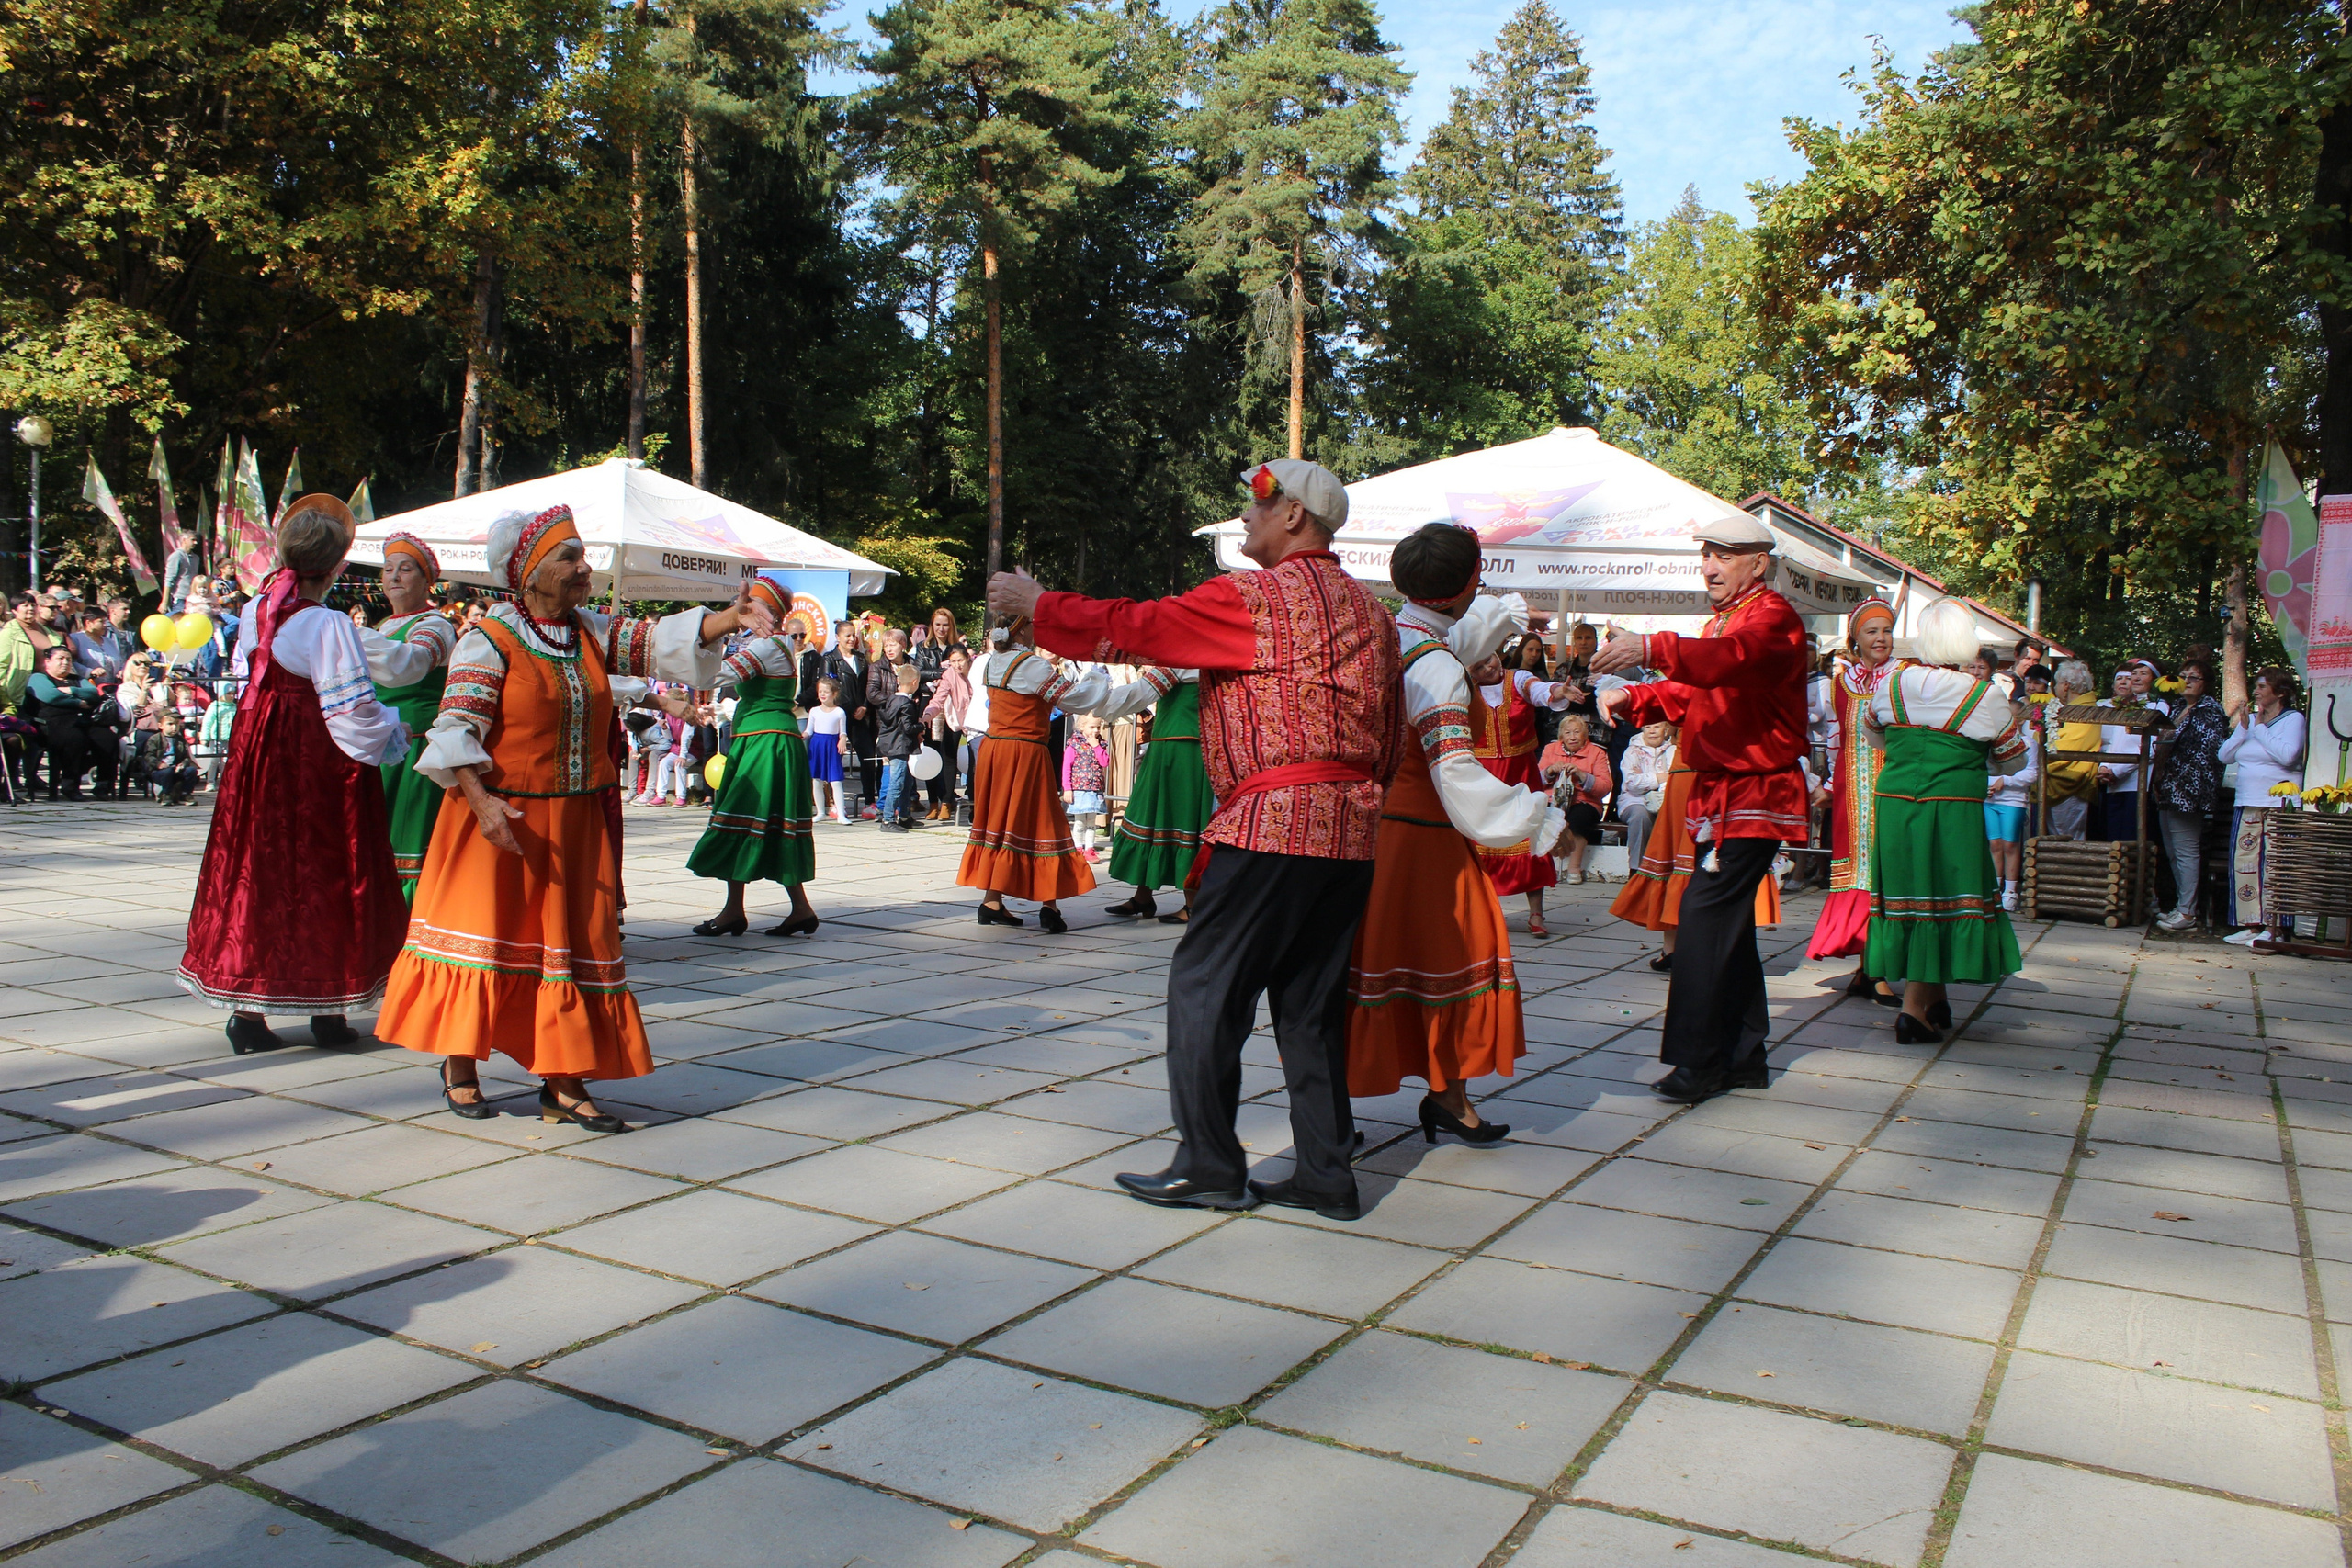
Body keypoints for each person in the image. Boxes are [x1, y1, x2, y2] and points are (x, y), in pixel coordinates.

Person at [993, 457, 1402, 1220]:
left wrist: (1039, 605)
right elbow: (1391, 735)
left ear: (1293, 518)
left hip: (1273, 820)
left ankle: (1211, 1162)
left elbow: (1136, 626)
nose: (1246, 516)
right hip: (1351, 828)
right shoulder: (1373, 611)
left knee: (1206, 987)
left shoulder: (1253, 597)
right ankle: (1325, 1170)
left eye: (1260, 503)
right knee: (1311, 1005)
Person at [374, 503, 771, 1128]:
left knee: (568, 948)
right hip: (499, 820)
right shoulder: (491, 638)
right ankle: (460, 1064)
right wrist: (482, 805)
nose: (584, 567)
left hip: (575, 824)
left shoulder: (588, 629)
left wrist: (732, 615)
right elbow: (454, 730)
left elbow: (653, 642)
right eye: (570, 557)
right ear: (530, 573)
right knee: (488, 939)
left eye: (582, 555)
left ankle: (563, 1079)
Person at [1348, 524, 1563, 1145]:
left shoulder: (1389, 633)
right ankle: (1449, 1097)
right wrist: (1529, 812)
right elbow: (1458, 772)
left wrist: (1499, 615)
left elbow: (1454, 637)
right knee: (1460, 954)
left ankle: (1342, 1107)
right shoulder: (1438, 667)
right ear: (1467, 582)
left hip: (1375, 829)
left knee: (1373, 960)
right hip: (1425, 835)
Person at [176, 497, 413, 1054]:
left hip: (259, 755)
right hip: (314, 763)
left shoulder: (263, 605)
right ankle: (328, 1009)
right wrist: (395, 731)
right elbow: (352, 713)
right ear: (336, 568)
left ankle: (248, 1012)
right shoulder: (326, 623)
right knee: (325, 872)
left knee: (257, 872)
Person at [1591, 512, 1807, 1103]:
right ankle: (1742, 1056)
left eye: (1723, 554)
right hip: (1725, 790)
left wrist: (1654, 647)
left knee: (1704, 919)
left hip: (1756, 791)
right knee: (1725, 925)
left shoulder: (1773, 619)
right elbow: (1692, 690)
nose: (1708, 565)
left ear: (1757, 563)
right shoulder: (1727, 621)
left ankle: (1700, 1062)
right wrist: (1633, 695)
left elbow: (1733, 660)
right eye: (1706, 553)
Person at [1861, 598, 2029, 1043]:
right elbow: (2013, 761)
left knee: (1913, 896)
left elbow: (1874, 735)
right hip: (1952, 808)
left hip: (1896, 804)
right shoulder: (1984, 694)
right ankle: (1913, 1011)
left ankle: (1932, 1000)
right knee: (1941, 895)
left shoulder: (1891, 685)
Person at [958, 624, 1129, 923]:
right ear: (1022, 629)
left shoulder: (990, 661)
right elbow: (1074, 699)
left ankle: (992, 901)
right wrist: (1097, 677)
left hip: (995, 749)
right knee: (1043, 822)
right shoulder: (1031, 666)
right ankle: (1049, 906)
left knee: (999, 823)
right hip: (1025, 752)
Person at [686, 575, 820, 937]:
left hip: (764, 744)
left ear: (766, 610)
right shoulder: (776, 645)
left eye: (750, 605)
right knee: (771, 824)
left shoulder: (765, 648)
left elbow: (716, 675)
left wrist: (698, 638)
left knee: (744, 819)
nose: (741, 610)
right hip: (770, 739)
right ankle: (796, 909)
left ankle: (737, 911)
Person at [1806, 600, 1902, 1002]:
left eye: (1886, 631)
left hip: (1892, 789)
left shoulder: (1904, 678)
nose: (1880, 639)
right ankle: (1869, 967)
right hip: (1850, 793)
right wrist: (1826, 784)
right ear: (1855, 639)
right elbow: (1834, 738)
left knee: (1885, 871)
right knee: (1860, 873)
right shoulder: (1838, 685)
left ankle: (1875, 966)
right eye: (1871, 632)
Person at [359, 533, 458, 900]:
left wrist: (347, 638)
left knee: (408, 839)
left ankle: (407, 923)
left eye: (406, 569)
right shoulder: (381, 628)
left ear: (426, 580)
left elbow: (411, 664)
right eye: (388, 570)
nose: (395, 577)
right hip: (381, 746)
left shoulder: (436, 626)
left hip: (416, 750)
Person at [1464, 645, 1577, 936]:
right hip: (1484, 778)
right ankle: (1486, 911)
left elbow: (1539, 691)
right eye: (1478, 667)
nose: (1488, 668)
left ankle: (1536, 915)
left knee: (1531, 838)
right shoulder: (1465, 690)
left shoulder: (1518, 679)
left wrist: (1557, 692)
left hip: (1521, 775)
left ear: (1497, 655)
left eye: (1488, 660)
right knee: (1482, 842)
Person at [1102, 669, 1210, 924]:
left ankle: (1193, 905)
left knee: (1183, 821)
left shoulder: (1182, 660)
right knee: (1151, 818)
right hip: (1168, 746)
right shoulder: (1187, 658)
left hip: (1184, 749)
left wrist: (1100, 702)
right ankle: (1143, 896)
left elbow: (1141, 692)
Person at [2220, 666, 2308, 947]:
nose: (2255, 691)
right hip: (2247, 801)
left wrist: (2258, 729)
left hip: (2278, 803)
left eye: (2261, 687)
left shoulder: (2292, 719)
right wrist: (2244, 729)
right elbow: (2224, 755)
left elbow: (2288, 755)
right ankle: (2251, 924)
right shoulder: (2253, 724)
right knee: (2245, 864)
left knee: (2276, 867)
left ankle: (2276, 928)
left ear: (2280, 692)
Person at [2151, 660, 2226, 931]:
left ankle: (2187, 912)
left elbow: (2207, 755)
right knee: (2173, 851)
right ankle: (2183, 906)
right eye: (2183, 676)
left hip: (2190, 792)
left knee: (2186, 851)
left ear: (2206, 683)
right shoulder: (2179, 708)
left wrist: (2180, 782)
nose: (2187, 681)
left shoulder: (2210, 711)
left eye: (2194, 677)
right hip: (2168, 788)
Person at [24, 645, 112, 798]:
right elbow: (51, 696)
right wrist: (78, 703)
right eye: (60, 658)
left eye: (69, 659)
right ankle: (70, 786)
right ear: (48, 662)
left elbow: (93, 693)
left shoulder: (77, 680)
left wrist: (72, 691)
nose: (65, 662)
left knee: (107, 738)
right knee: (75, 738)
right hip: (50, 724)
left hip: (81, 721)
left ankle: (103, 785)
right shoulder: (39, 678)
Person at [912, 607, 974, 819]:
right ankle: (932, 802)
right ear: (932, 626)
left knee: (950, 755)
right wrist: (943, 672)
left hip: (956, 709)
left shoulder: (958, 649)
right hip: (933, 704)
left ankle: (947, 800)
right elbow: (918, 673)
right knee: (931, 753)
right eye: (937, 624)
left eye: (945, 624)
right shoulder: (923, 647)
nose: (941, 628)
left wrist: (949, 669)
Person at [1538, 714, 1611, 884]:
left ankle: (1574, 869)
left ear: (1585, 735)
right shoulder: (1550, 750)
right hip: (1554, 797)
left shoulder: (1597, 753)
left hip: (1585, 800)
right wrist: (1549, 771)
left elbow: (1605, 787)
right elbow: (1535, 780)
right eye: (1568, 732)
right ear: (1561, 735)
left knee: (1578, 819)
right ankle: (1545, 867)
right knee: (1542, 816)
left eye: (1577, 732)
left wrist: (1582, 775)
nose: (1572, 737)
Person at [1984, 696, 2040, 912]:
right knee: (1994, 844)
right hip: (1989, 799)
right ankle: (1995, 889)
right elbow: (1983, 768)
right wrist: (1987, 784)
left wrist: (2005, 781)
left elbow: (2031, 773)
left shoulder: (2028, 743)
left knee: (2010, 844)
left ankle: (2011, 890)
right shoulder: (1989, 742)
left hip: (2013, 800)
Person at [2039, 660, 2102, 840]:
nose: (2055, 688)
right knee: (2055, 838)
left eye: (2057, 683)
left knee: (2068, 839)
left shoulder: (2086, 711)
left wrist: (2036, 763)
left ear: (2066, 685)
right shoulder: (2072, 709)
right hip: (2057, 782)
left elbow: (2063, 747)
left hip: (2070, 784)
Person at [825, 619, 877, 814]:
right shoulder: (830, 659)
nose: (851, 639)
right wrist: (849, 707)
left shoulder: (861, 659)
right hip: (840, 716)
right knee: (836, 760)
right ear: (837, 637)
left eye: (853, 635)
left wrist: (864, 706)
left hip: (861, 717)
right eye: (847, 635)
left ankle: (869, 801)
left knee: (867, 757)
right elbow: (829, 687)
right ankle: (836, 802)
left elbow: (868, 685)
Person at [920, 645, 976, 822]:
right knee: (949, 758)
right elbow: (939, 698)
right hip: (955, 718)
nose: (957, 665)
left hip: (977, 722)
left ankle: (975, 802)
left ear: (967, 658)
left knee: (976, 763)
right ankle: (946, 801)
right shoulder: (949, 675)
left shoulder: (977, 670)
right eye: (953, 662)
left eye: (960, 660)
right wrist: (928, 714)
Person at [1618, 719, 1674, 872]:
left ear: (1666, 730)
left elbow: (1675, 779)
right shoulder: (1632, 752)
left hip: (1666, 800)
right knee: (1640, 815)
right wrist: (1659, 778)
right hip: (1634, 800)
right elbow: (1632, 784)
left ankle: (1669, 870)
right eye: (1648, 726)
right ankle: (1637, 870)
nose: (1652, 731)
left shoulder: (1673, 751)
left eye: (1657, 726)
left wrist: (1654, 781)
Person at [876, 663, 926, 831]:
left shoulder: (891, 700)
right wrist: (921, 726)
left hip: (889, 744)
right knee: (897, 782)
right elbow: (907, 727)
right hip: (900, 746)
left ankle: (904, 816)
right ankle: (888, 819)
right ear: (914, 682)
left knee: (906, 781)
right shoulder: (907, 704)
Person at [1062, 713, 1110, 860]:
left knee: (1091, 821)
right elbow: (1066, 768)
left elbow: (1104, 762)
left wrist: (1097, 747)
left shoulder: (1100, 744)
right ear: (1082, 727)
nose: (1096, 730)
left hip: (1094, 789)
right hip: (1079, 789)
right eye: (1092, 727)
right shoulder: (1074, 745)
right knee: (1079, 821)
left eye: (1098, 727)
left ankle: (1089, 848)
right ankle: (1077, 847)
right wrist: (1067, 788)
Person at [806, 677, 852, 823]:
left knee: (836, 781)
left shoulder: (839, 712)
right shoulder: (814, 711)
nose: (823, 694)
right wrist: (802, 736)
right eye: (820, 691)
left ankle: (841, 813)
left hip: (832, 746)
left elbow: (842, 732)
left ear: (834, 693)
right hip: (817, 745)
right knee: (817, 780)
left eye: (826, 691)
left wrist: (843, 739)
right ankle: (820, 812)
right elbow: (809, 731)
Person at [142, 712, 203, 804]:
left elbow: (186, 757)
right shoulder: (155, 739)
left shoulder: (180, 740)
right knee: (168, 772)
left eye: (177, 724)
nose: (174, 727)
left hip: (176, 769)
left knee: (191, 771)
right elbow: (149, 756)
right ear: (160, 725)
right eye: (170, 724)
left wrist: (183, 764)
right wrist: (159, 764)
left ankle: (186, 793)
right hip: (160, 771)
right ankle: (166, 795)